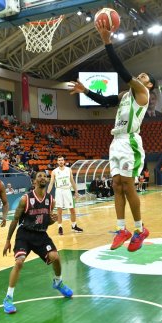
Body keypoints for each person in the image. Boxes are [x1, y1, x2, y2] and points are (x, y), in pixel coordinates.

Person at [68, 19, 155, 252]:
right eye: (142, 75)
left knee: (128, 185)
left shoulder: (142, 93)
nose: (141, 76)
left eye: (145, 76)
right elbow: (106, 101)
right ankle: (121, 229)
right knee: (116, 185)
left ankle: (139, 229)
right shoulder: (126, 95)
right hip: (115, 142)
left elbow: (121, 70)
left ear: (149, 85)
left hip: (130, 143)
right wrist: (85, 91)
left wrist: (107, 42)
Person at [1, 171, 73, 314]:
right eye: (39, 176)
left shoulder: (50, 200)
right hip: (25, 234)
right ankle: (8, 298)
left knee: (56, 257)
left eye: (44, 176)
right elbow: (15, 220)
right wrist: (8, 240)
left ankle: (58, 282)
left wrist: (52, 220)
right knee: (19, 262)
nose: (43, 178)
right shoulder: (25, 199)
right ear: (34, 181)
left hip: (41, 235)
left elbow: (47, 221)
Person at [47, 155, 82, 235]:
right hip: (59, 191)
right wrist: (47, 193)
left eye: (62, 160)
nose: (61, 161)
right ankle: (60, 227)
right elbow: (51, 183)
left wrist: (76, 191)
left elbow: (72, 181)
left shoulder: (68, 170)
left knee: (72, 209)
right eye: (59, 160)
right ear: (57, 162)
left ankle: (74, 226)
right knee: (59, 211)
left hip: (67, 191)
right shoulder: (54, 171)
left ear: (64, 161)